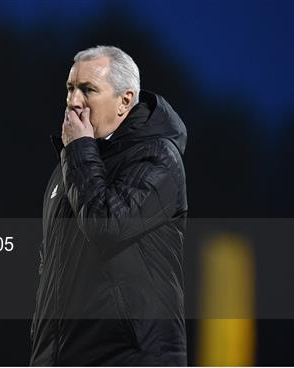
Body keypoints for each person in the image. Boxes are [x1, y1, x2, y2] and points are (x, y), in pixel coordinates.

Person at [30, 45, 188, 366]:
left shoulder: (157, 157)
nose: (74, 101)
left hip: (129, 358)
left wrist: (79, 149)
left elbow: (105, 226)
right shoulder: (68, 167)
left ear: (125, 100)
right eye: (70, 89)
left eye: (88, 90)